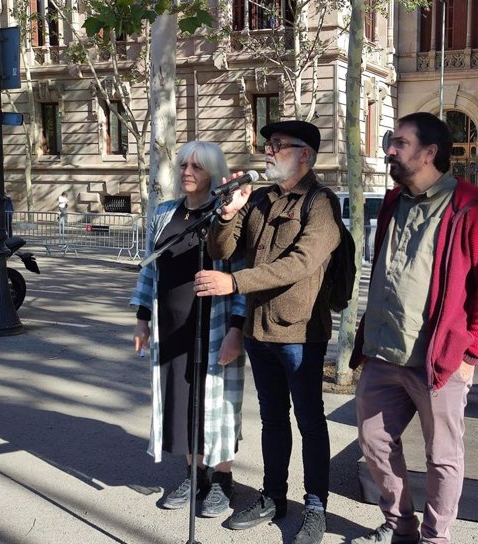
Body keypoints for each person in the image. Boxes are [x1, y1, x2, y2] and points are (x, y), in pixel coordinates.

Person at [349, 112, 478, 544]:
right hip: (383, 354)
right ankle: (399, 524)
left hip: (438, 363)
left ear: (429, 153)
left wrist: (472, 353)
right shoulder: (391, 202)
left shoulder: (471, 208)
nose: (389, 150)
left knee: (442, 457)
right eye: (391, 141)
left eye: (399, 143)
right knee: (374, 442)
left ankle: (435, 536)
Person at [194, 120, 341, 544]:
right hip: (259, 330)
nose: (268, 152)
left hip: (299, 332)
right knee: (273, 418)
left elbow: (300, 263)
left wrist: (234, 284)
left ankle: (315, 506)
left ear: (305, 155)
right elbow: (221, 249)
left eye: (278, 145)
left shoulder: (321, 204)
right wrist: (228, 213)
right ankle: (274, 495)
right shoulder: (258, 199)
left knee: (309, 420)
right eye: (268, 145)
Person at [130, 141, 246, 518]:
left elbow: (243, 274)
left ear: (213, 171)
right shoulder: (165, 212)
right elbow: (151, 268)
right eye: (182, 166)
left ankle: (222, 482)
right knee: (182, 403)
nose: (186, 172)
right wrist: (142, 317)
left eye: (196, 166)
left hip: (213, 325)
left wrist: (237, 329)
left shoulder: (227, 214)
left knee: (217, 404)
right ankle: (194, 475)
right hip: (171, 326)